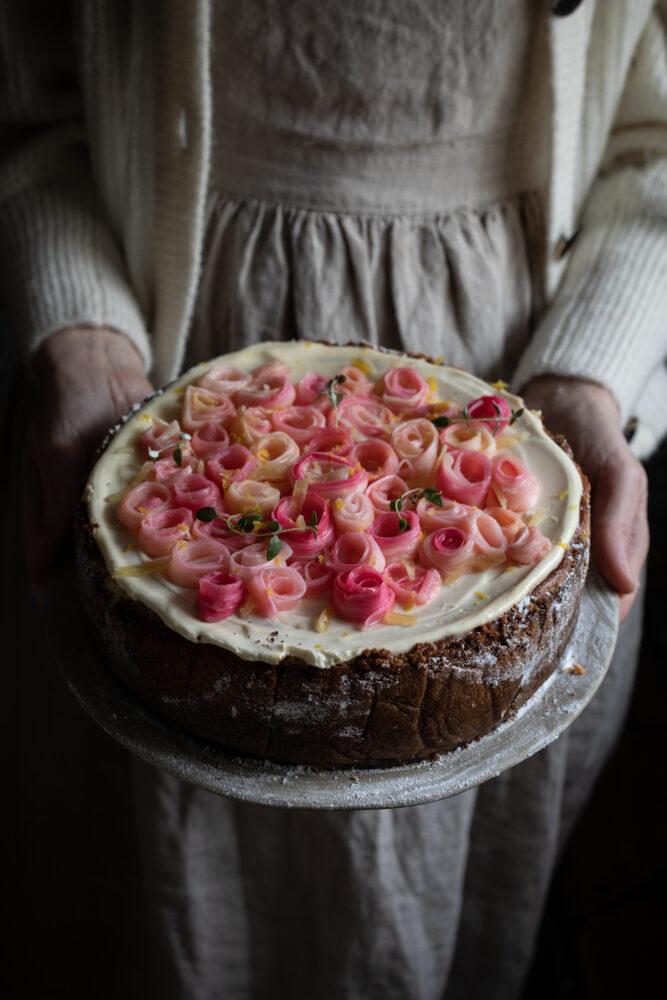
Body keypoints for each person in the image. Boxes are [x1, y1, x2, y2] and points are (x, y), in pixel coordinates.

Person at [2, 1, 665, 997]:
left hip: (518, 353)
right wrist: (76, 331)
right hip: (145, 344)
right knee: (149, 901)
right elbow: (24, 93)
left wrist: (592, 372)